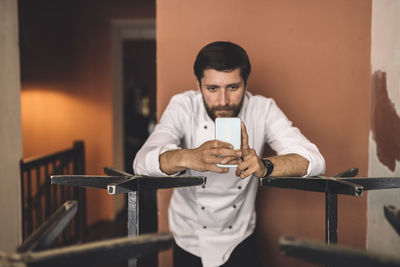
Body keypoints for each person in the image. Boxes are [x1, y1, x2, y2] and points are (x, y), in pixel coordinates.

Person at [133, 41, 325, 267]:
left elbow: (315, 160)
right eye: (212, 89)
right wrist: (188, 157)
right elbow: (141, 162)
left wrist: (265, 166)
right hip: (189, 236)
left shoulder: (262, 108)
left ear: (245, 83)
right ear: (199, 84)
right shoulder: (183, 106)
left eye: (233, 87)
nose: (223, 101)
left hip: (240, 235)